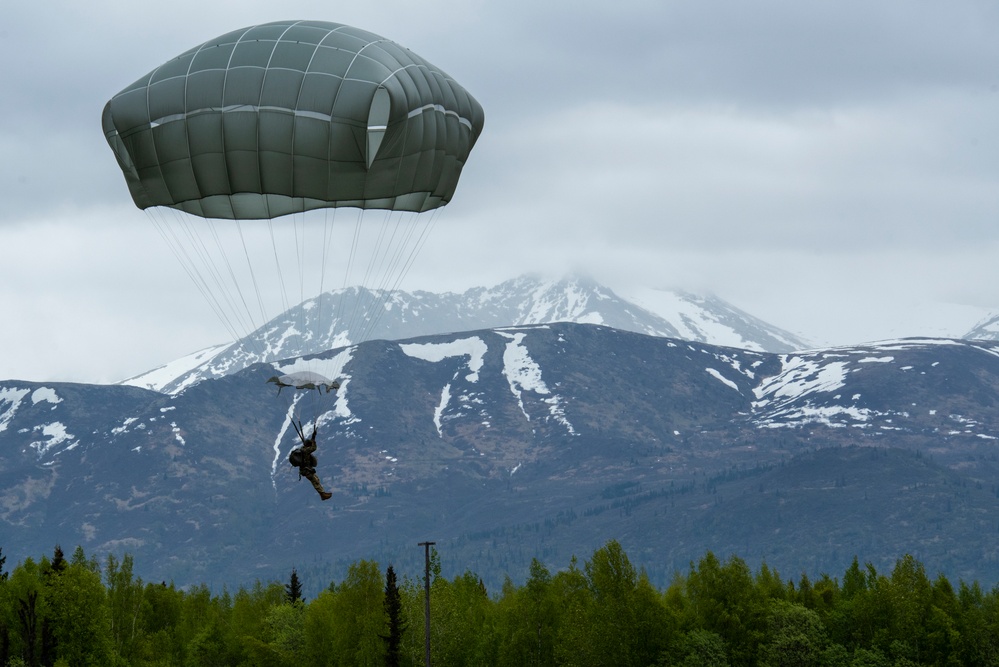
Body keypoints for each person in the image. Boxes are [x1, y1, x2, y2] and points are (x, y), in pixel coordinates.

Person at [290, 420, 332, 501]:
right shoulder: (306, 451)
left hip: (305, 470)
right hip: (306, 470)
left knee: (317, 480)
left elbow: (309, 446)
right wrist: (314, 441)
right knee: (315, 481)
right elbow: (314, 448)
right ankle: (322, 495)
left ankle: (323, 493)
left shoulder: (303, 449)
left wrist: (313, 437)